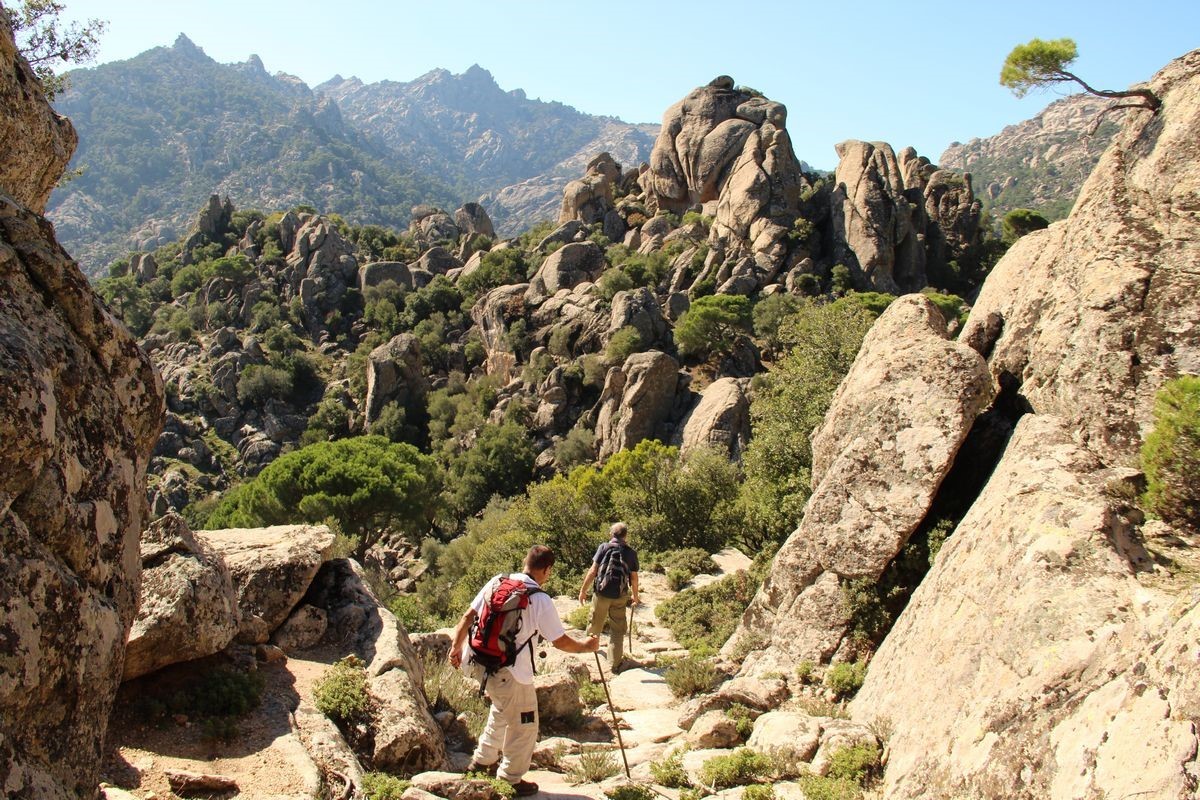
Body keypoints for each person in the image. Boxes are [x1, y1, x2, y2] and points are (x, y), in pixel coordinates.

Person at [450, 544, 599, 796]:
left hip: (480, 663)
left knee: (501, 709)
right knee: (525, 724)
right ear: (547, 570)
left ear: (525, 561)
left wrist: (455, 647)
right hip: (512, 673)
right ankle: (510, 779)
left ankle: (482, 761)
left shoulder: (497, 581)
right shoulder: (540, 599)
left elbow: (467, 617)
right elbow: (560, 641)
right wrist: (587, 646)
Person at [577, 522, 640, 673]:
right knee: (618, 630)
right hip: (620, 595)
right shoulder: (631, 553)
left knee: (595, 622)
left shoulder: (604, 547)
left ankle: (589, 651)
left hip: (601, 593)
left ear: (611, 534)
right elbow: (634, 578)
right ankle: (615, 663)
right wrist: (635, 597)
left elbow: (593, 571)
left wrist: (583, 590)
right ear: (625, 536)